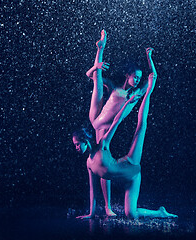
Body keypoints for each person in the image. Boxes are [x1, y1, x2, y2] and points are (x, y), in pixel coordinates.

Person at [73, 69, 178, 219]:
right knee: (131, 214)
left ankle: (148, 93)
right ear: (126, 75)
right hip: (124, 170)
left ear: (85, 140)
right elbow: (92, 190)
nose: (76, 148)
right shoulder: (89, 163)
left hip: (131, 168)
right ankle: (159, 213)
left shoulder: (103, 145)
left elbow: (116, 121)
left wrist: (137, 94)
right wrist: (91, 214)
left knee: (141, 127)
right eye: (134, 76)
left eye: (77, 144)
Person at [83, 30, 157, 217]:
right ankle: (101, 48)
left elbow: (151, 81)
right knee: (97, 79)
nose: (138, 80)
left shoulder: (134, 96)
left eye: (139, 78)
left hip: (103, 127)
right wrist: (96, 67)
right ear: (127, 75)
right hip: (97, 119)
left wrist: (149, 59)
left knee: (103, 165)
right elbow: (89, 74)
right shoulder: (116, 88)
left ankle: (107, 207)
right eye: (135, 76)